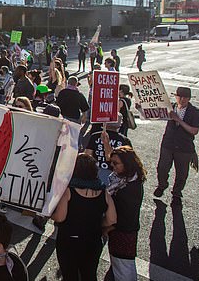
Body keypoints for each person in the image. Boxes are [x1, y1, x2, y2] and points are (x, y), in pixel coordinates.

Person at [51, 153, 117, 281]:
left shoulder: (69, 191)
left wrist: (49, 214)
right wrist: (97, 224)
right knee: (89, 274)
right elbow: (112, 219)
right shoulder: (103, 192)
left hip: (69, 240)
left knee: (70, 275)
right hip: (93, 240)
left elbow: (60, 217)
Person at [153, 87, 199, 206]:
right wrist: (140, 108)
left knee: (182, 173)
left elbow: (194, 131)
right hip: (168, 144)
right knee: (162, 168)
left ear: (189, 98)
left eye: (185, 97)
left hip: (184, 147)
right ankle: (162, 185)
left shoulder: (195, 112)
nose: (182, 99)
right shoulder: (170, 107)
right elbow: (153, 114)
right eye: (179, 96)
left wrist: (178, 120)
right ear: (175, 97)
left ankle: (176, 192)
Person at [107, 146, 147, 281]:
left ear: (127, 164)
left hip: (123, 234)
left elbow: (123, 218)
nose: (112, 166)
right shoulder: (127, 179)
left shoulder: (128, 189)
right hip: (121, 232)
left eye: (115, 163)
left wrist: (106, 228)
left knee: (124, 270)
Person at [84, 115, 132, 185]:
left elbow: (87, 155)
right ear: (119, 124)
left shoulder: (95, 136)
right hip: (116, 174)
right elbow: (129, 160)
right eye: (121, 120)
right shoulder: (124, 140)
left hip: (97, 172)